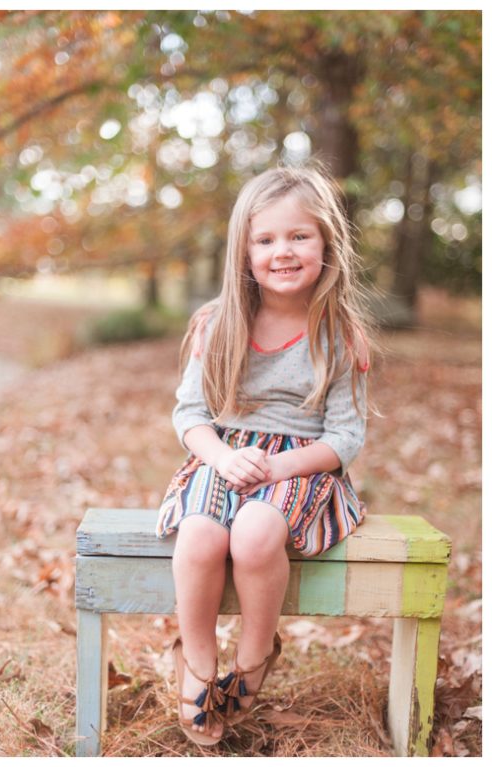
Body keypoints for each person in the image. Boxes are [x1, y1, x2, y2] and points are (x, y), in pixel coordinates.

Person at [155, 164, 372, 746]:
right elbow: (191, 416)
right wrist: (223, 459)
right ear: (243, 251)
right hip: (224, 456)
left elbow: (346, 438)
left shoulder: (339, 333)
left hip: (301, 466)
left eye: (299, 236)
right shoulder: (219, 323)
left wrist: (279, 467)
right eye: (266, 239)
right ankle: (197, 661)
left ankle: (253, 658)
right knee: (200, 535)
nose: (283, 251)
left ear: (326, 242)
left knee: (253, 533)